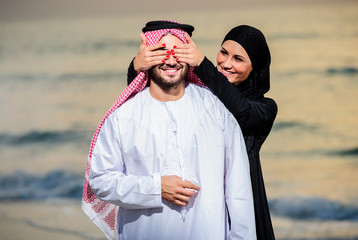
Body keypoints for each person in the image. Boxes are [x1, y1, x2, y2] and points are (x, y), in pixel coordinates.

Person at [82, 20, 256, 240]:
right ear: (147, 57)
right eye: (161, 52)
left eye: (178, 52)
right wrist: (155, 188)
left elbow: (238, 189)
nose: (171, 60)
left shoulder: (216, 109)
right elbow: (100, 180)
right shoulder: (123, 117)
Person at [127, 25, 277, 240]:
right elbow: (151, 103)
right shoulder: (203, 92)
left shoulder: (265, 108)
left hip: (241, 199)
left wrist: (203, 65)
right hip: (203, 199)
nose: (226, 63)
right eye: (224, 53)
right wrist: (136, 67)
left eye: (238, 59)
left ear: (255, 67)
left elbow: (241, 111)